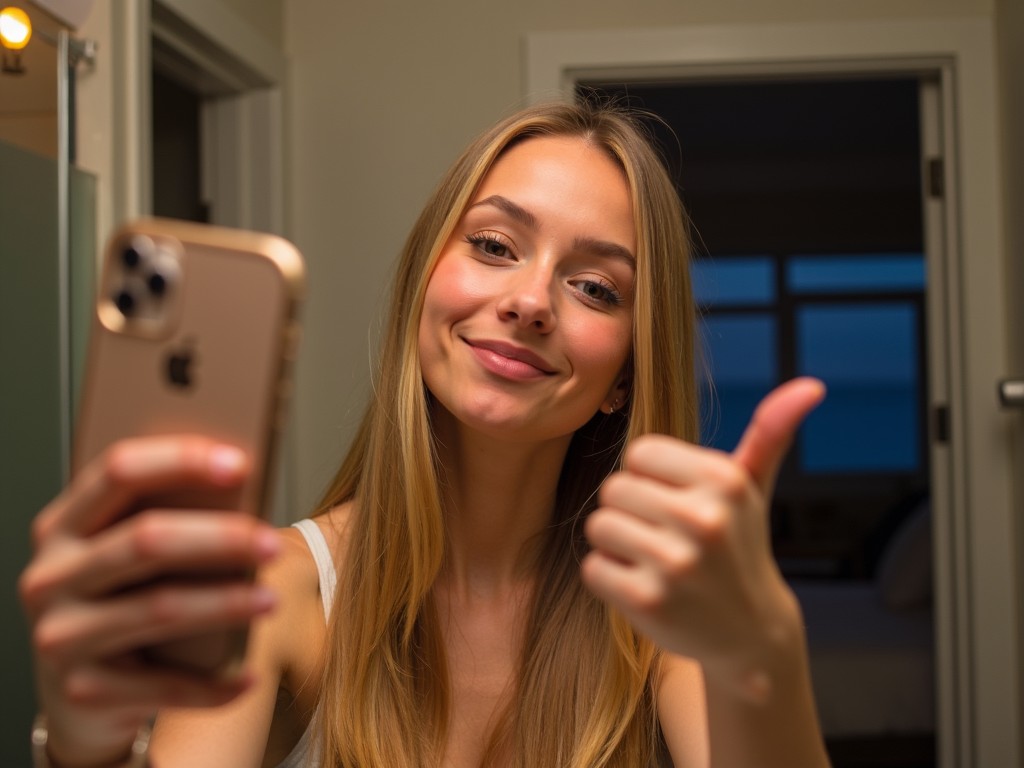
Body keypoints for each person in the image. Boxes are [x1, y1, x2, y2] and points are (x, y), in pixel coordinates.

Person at [20, 101, 831, 767]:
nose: (531, 300)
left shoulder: (659, 625)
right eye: (492, 245)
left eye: (593, 286)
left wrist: (765, 653)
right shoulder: (280, 596)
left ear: (624, 375)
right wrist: (84, 745)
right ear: (422, 290)